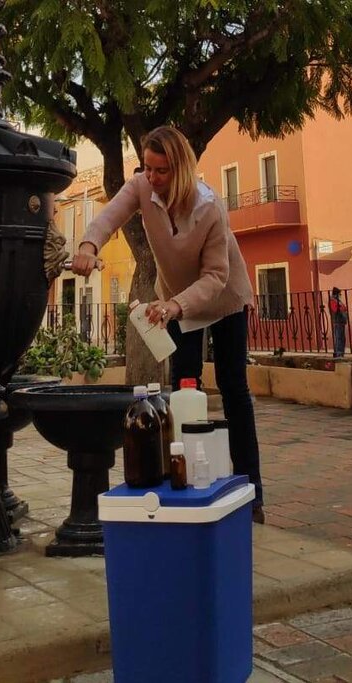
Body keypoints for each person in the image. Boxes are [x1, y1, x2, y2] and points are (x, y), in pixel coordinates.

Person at [70, 126, 265, 523]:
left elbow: (214, 276)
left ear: (180, 170)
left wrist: (177, 305)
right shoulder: (142, 186)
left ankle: (253, 493)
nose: (152, 178)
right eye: (147, 168)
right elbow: (111, 215)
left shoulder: (209, 207)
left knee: (234, 389)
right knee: (183, 387)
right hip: (175, 301)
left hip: (223, 297)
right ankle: (185, 483)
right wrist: (89, 244)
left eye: (161, 171)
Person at [328, 287, 348, 358]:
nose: (340, 295)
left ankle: (340, 353)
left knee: (342, 338)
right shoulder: (333, 301)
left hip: (341, 321)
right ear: (336, 294)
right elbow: (335, 310)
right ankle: (338, 353)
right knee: (339, 338)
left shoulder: (337, 300)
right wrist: (341, 308)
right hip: (337, 321)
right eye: (339, 294)